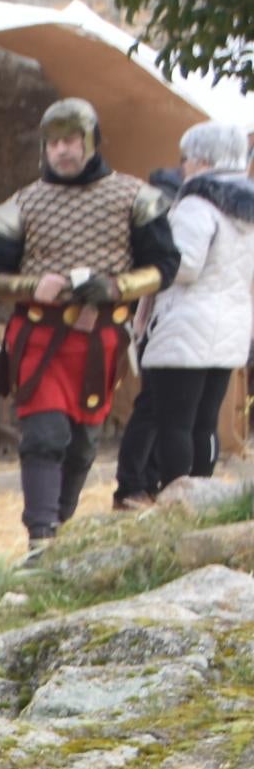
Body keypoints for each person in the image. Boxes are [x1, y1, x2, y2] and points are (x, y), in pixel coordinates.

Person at [0, 97, 181, 553]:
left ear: (90, 142)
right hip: (40, 336)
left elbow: (164, 264)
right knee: (44, 436)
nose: (62, 151)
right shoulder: (24, 203)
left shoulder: (132, 197)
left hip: (98, 339)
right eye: (54, 143)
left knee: (83, 443)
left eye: (71, 141)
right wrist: (32, 285)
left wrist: (116, 287)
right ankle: (41, 538)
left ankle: (60, 528)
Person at [116, 123, 254, 509]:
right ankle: (204, 499)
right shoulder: (247, 207)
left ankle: (179, 502)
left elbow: (184, 266)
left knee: (175, 423)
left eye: (188, 157)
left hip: (187, 327)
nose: (184, 166)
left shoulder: (197, 205)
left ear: (204, 160)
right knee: (205, 423)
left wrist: (152, 257)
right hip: (230, 327)